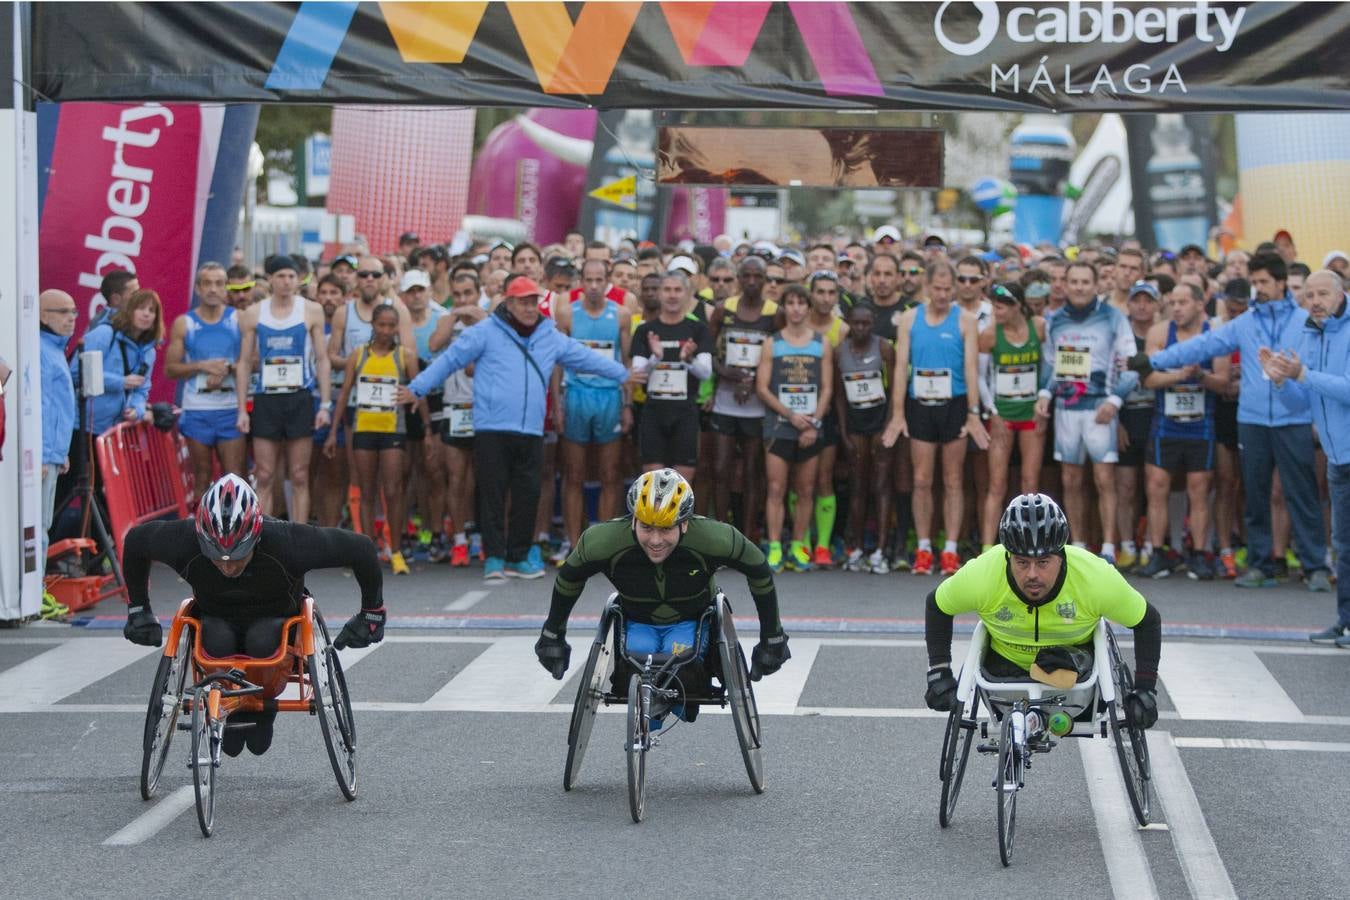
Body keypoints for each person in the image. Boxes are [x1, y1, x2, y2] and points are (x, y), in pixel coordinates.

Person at [120, 474, 386, 757]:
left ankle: (262, 704)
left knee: (262, 639)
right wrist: (139, 610)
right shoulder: (184, 541)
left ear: (256, 536)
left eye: (238, 557)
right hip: (216, 621)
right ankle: (230, 701)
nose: (227, 566)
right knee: (216, 637)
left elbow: (362, 549)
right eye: (216, 556)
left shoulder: (289, 541)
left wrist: (372, 613)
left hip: (275, 626)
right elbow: (136, 541)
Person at [398, 276, 629, 580]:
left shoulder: (549, 334)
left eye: (534, 301)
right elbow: (450, 360)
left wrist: (623, 374)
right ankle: (494, 557)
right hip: (491, 427)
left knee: (527, 495)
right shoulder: (485, 332)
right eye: (523, 302)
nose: (530, 307)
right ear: (508, 303)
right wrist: (417, 388)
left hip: (531, 430)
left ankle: (518, 557)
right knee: (493, 494)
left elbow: (584, 357)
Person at [533, 469, 790, 729]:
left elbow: (759, 568)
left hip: (691, 620)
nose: (656, 540)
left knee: (678, 666)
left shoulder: (715, 538)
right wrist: (553, 634)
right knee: (637, 665)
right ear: (633, 520)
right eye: (646, 527)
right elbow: (569, 579)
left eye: (666, 529)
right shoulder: (601, 541)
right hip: (637, 621)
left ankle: (675, 702)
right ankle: (650, 717)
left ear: (685, 524)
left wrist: (773, 637)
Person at [1136, 252, 1331, 591]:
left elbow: (1314, 371)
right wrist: (1153, 359)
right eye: (1254, 283)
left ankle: (1314, 566)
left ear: (1281, 282)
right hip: (1252, 421)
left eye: (1264, 282)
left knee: (1301, 494)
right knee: (1254, 495)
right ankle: (1259, 564)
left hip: (1293, 420)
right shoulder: (1246, 322)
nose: (1258, 289)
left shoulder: (1304, 322)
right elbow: (1201, 346)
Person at [923, 493, 1161, 736]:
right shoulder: (984, 572)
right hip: (1003, 678)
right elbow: (937, 605)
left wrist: (1145, 688)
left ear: (1062, 555)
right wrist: (939, 671)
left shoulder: (1094, 576)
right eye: (1022, 563)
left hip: (1074, 678)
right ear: (1007, 555)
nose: (1032, 574)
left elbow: (1147, 621)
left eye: (1044, 562)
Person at [1259, 271, 1350, 645]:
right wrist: (1281, 380)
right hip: (1336, 458)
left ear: (1341, 293)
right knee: (1342, 546)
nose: (1315, 300)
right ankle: (1345, 620)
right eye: (1309, 294)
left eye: (1323, 293)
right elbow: (1301, 402)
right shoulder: (1310, 335)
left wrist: (1304, 374)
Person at [882, 261, 990, 576]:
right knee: (922, 479)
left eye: (948, 289)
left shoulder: (966, 320)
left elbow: (971, 369)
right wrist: (898, 413)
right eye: (938, 289)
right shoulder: (909, 318)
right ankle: (925, 547)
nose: (943, 295)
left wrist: (973, 413)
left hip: (953, 403)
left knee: (953, 479)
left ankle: (951, 549)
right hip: (920, 404)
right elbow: (901, 367)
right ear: (928, 287)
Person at [1035, 260, 1140, 565]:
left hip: (1099, 411)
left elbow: (1131, 368)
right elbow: (1052, 364)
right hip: (1067, 410)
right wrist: (1045, 392)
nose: (1079, 287)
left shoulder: (1113, 318)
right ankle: (1077, 546)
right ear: (1065, 285)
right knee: (1070, 480)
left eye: (1085, 282)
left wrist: (1114, 402)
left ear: (1096, 285)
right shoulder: (1055, 320)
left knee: (1104, 479)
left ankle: (1108, 547)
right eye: (1074, 282)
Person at [1137, 282, 1230, 579]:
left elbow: (1223, 381)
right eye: (1173, 302)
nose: (1177, 308)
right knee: (1156, 486)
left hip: (1200, 425)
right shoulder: (1159, 333)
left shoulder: (1215, 334)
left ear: (1200, 304)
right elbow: (1148, 379)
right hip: (1166, 423)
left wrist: (1200, 375)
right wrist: (1180, 374)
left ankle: (1200, 553)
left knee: (1199, 489)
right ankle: (1159, 552)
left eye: (1183, 302)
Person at [327, 304, 426, 575]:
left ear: (397, 327)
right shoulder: (358, 355)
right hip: (364, 430)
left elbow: (419, 390)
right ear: (372, 325)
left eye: (390, 325)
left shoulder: (404, 355)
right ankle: (368, 551)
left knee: (394, 490)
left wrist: (427, 428)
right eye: (380, 324)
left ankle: (395, 550)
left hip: (394, 429)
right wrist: (334, 431)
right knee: (367, 491)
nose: (385, 330)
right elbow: (345, 394)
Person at [235, 255, 333, 526]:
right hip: (267, 399)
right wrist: (242, 408)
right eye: (281, 276)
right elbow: (243, 363)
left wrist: (325, 404)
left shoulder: (311, 310)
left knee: (300, 474)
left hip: (299, 398)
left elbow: (322, 359)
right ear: (269, 279)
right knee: (264, 474)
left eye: (291, 276)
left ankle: (298, 537)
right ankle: (263, 537)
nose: (287, 282)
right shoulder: (254, 313)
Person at [552, 258, 634, 562]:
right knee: (573, 473)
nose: (595, 286)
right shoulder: (567, 314)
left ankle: (604, 544)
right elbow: (557, 362)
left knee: (609, 473)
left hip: (609, 398)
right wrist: (558, 404)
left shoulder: (621, 315)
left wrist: (627, 405)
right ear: (581, 282)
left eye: (600, 280)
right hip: (576, 396)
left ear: (608, 281)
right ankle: (574, 545)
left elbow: (626, 363)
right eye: (589, 280)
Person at [756, 284, 834, 572]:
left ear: (808, 307)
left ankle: (799, 545)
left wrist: (812, 423)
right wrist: (790, 415)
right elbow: (762, 388)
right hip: (779, 425)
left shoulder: (820, 343)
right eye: (791, 303)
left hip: (810, 428)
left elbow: (827, 388)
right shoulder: (772, 343)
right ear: (784, 307)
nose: (797, 308)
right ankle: (775, 546)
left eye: (802, 303)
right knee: (776, 488)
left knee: (806, 489)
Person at [708, 256, 778, 542]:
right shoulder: (723, 310)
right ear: (738, 278)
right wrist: (730, 374)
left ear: (764, 280)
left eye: (757, 276)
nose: (751, 282)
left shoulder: (776, 313)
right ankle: (723, 535)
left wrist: (754, 381)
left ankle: (747, 536)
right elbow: (708, 353)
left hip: (758, 404)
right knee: (721, 469)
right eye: (746, 276)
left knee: (753, 472)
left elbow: (780, 358)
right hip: (726, 400)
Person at [976, 282, 1048, 551]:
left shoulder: (1038, 327)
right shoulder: (990, 334)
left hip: (1031, 413)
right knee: (997, 483)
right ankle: (986, 547)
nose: (997, 310)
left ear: (1018, 305)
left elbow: (1047, 364)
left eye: (1002, 305)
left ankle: (1029, 544)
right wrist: (992, 413)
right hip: (1003, 414)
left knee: (1030, 483)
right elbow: (981, 378)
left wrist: (1043, 396)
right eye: (994, 305)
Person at [164, 263, 246, 493]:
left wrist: (226, 369)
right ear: (198, 289)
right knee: (201, 476)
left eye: (219, 283)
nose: (213, 289)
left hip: (229, 409)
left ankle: (236, 528)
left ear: (226, 288)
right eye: (207, 283)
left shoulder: (238, 319)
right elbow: (170, 369)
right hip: (197, 410)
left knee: (235, 478)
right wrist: (202, 366)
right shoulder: (185, 323)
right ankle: (201, 529)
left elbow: (254, 362)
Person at [629, 272, 712, 481]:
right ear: (659, 293)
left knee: (681, 486)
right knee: (653, 485)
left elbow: (706, 372)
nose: (672, 295)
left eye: (677, 290)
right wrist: (655, 358)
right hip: (654, 411)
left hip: (685, 412)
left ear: (687, 294)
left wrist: (688, 359)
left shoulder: (698, 329)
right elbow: (638, 374)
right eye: (667, 289)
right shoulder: (645, 330)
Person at [834, 302, 895, 574]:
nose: (861, 329)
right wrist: (845, 433)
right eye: (856, 323)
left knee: (881, 485)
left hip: (879, 422)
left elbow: (894, 390)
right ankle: (858, 547)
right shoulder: (840, 351)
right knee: (858, 486)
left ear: (873, 323)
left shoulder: (883, 348)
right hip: (856, 425)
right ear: (848, 323)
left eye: (866, 324)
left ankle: (881, 549)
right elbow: (838, 397)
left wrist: (889, 426)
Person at [1114, 281, 1162, 571]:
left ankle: (1150, 545)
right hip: (1128, 415)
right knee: (1126, 486)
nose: (1142, 306)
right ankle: (1127, 546)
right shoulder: (1121, 337)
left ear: (1157, 305)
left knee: (1154, 487)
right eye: (1137, 300)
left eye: (1148, 300)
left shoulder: (1162, 336)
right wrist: (1117, 421)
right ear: (1128, 305)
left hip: (1156, 415)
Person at [73, 288, 163, 435]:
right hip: (83, 426)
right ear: (129, 311)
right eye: (141, 308)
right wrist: (120, 382)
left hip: (115, 431)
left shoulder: (149, 351)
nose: (146, 314)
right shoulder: (105, 333)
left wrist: (137, 409)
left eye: (152, 310)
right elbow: (77, 373)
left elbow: (142, 390)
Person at [39, 290, 78, 560]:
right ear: (43, 315)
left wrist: (60, 452)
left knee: (44, 525)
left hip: (52, 453)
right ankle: (35, 594)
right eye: (63, 312)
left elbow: (57, 409)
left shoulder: (53, 349)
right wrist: (43, 455)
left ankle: (38, 591)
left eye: (73, 311)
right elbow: (39, 408)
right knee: (39, 527)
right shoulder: (41, 350)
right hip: (44, 456)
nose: (71, 318)